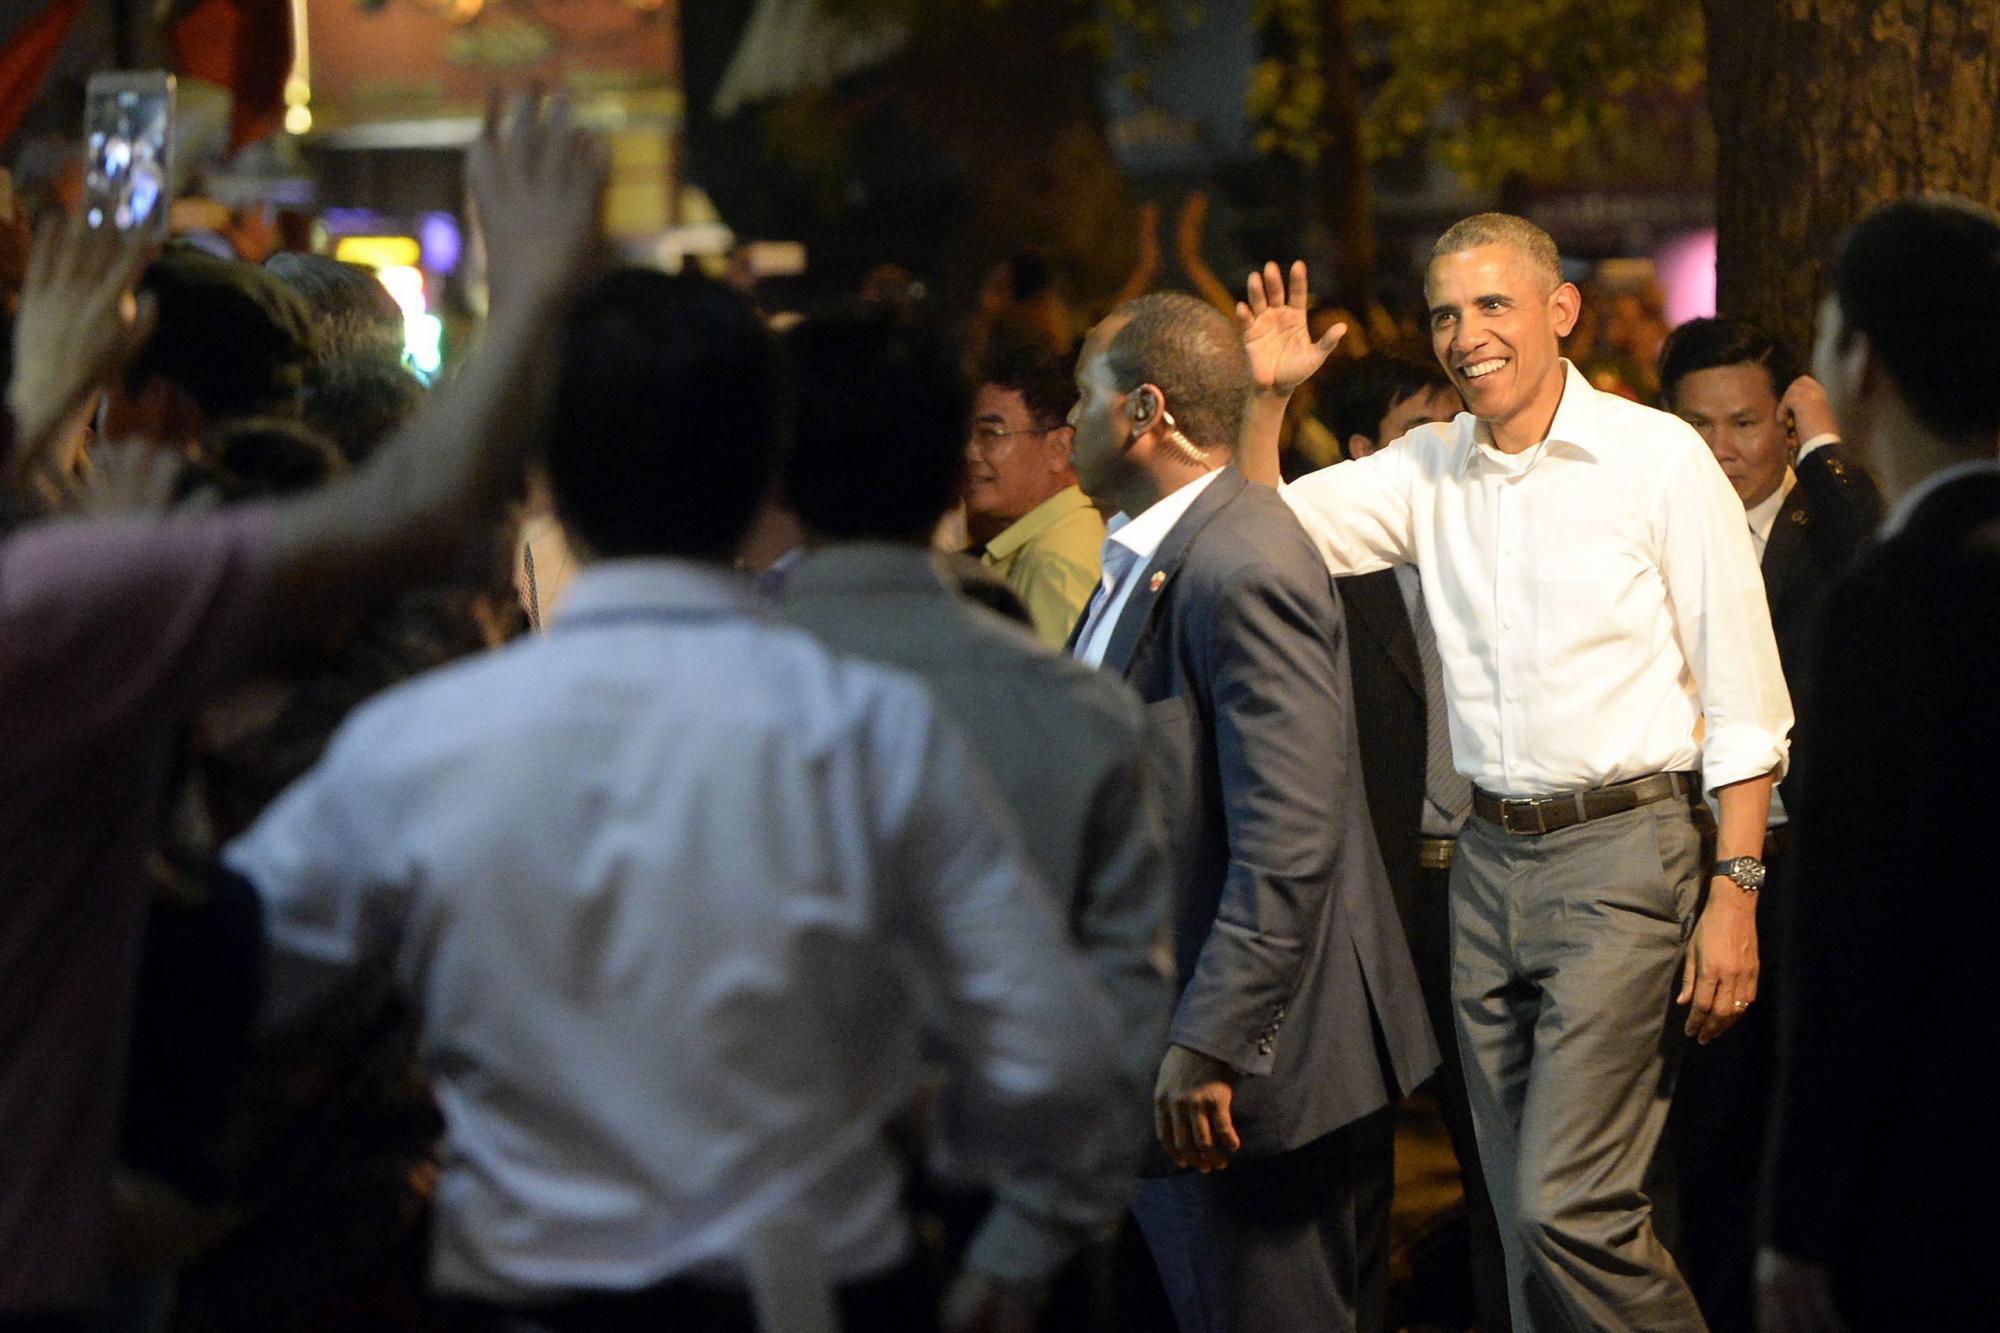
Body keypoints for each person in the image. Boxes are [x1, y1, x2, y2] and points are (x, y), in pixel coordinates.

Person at [223, 268, 1128, 1329]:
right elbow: (1057, 1057)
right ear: (764, 474)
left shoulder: (423, 741)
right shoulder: (868, 730)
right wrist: (908, 1135)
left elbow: (228, 991)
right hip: (810, 1288)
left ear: (550, 471)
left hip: (515, 1288)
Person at [0, 92, 607, 1332]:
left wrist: (45, 413)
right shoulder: (55, 622)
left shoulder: (65, 606)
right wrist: (536, 285)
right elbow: (420, 512)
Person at [1234, 215, 1792, 1330]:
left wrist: (1733, 891)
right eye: (1445, 311)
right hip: (1482, 867)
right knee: (1513, 1224)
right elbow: (1267, 539)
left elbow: (1744, 703)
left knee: (1563, 1209)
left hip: (1625, 857)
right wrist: (1266, 402)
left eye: (1492, 305)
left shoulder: (1655, 457)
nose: (1464, 335)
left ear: (1558, 311)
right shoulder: (1427, 466)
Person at [774, 312, 1171, 1332]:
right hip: (1016, 1246)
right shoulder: (1075, 711)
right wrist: (1023, 1246)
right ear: (946, 469)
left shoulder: (691, 697)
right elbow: (1121, 1016)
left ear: (778, 477)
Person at [1068, 292, 1438, 1332]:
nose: (1068, 423)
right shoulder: (1153, 552)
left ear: (1143, 411)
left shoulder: (1241, 559)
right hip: (1167, 1062)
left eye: (1080, 397)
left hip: (1239, 1083)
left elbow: (1292, 828)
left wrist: (1214, 1038)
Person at [1756, 194, 2000, 1333]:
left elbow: (1851, 935)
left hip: (1938, 1173)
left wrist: (1799, 1221)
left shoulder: (1886, 608)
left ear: (1862, 363)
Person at [1655, 317, 1883, 1333]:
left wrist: (1826, 454)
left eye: (1744, 421)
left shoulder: (1821, 519)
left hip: (1807, 878)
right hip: (1677, 864)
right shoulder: (1644, 524)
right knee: (1700, 1147)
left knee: (1813, 1135)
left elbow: (1879, 570)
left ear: (1783, 423)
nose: (1719, 447)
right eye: (1694, 422)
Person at [1320, 352, 1509, 1332]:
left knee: (1497, 1148)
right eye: (1414, 435)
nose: (1444, 457)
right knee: (1358, 1149)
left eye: (1455, 431)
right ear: (1361, 457)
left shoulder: (1498, 551)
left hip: (1491, 876)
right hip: (1376, 895)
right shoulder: (1329, 581)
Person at [965, 342, 1106, 647]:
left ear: (1059, 448)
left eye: (990, 434)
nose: (970, 453)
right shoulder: (1043, 546)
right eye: (968, 435)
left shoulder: (1056, 561)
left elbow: (1065, 693)